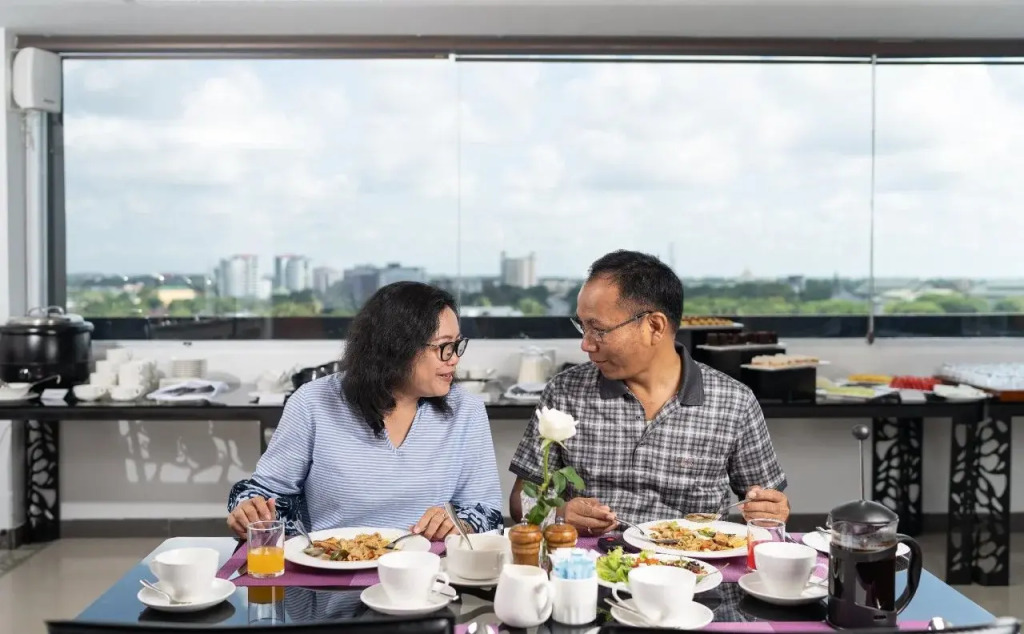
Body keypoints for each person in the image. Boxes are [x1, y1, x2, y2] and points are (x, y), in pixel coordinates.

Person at [509, 250, 789, 535]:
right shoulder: (565, 392)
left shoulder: (734, 402)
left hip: (692, 559)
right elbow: (520, 501)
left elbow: (769, 506)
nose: (586, 344)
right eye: (583, 326)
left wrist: (770, 510)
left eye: (599, 329)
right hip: (589, 559)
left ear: (654, 326)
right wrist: (560, 514)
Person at [227, 281, 504, 540]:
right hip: (329, 564)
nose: (454, 359)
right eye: (444, 347)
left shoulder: (467, 410)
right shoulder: (313, 403)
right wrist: (250, 511)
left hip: (428, 569)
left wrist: (461, 524)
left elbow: (486, 511)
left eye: (457, 345)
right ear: (397, 348)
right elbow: (265, 493)